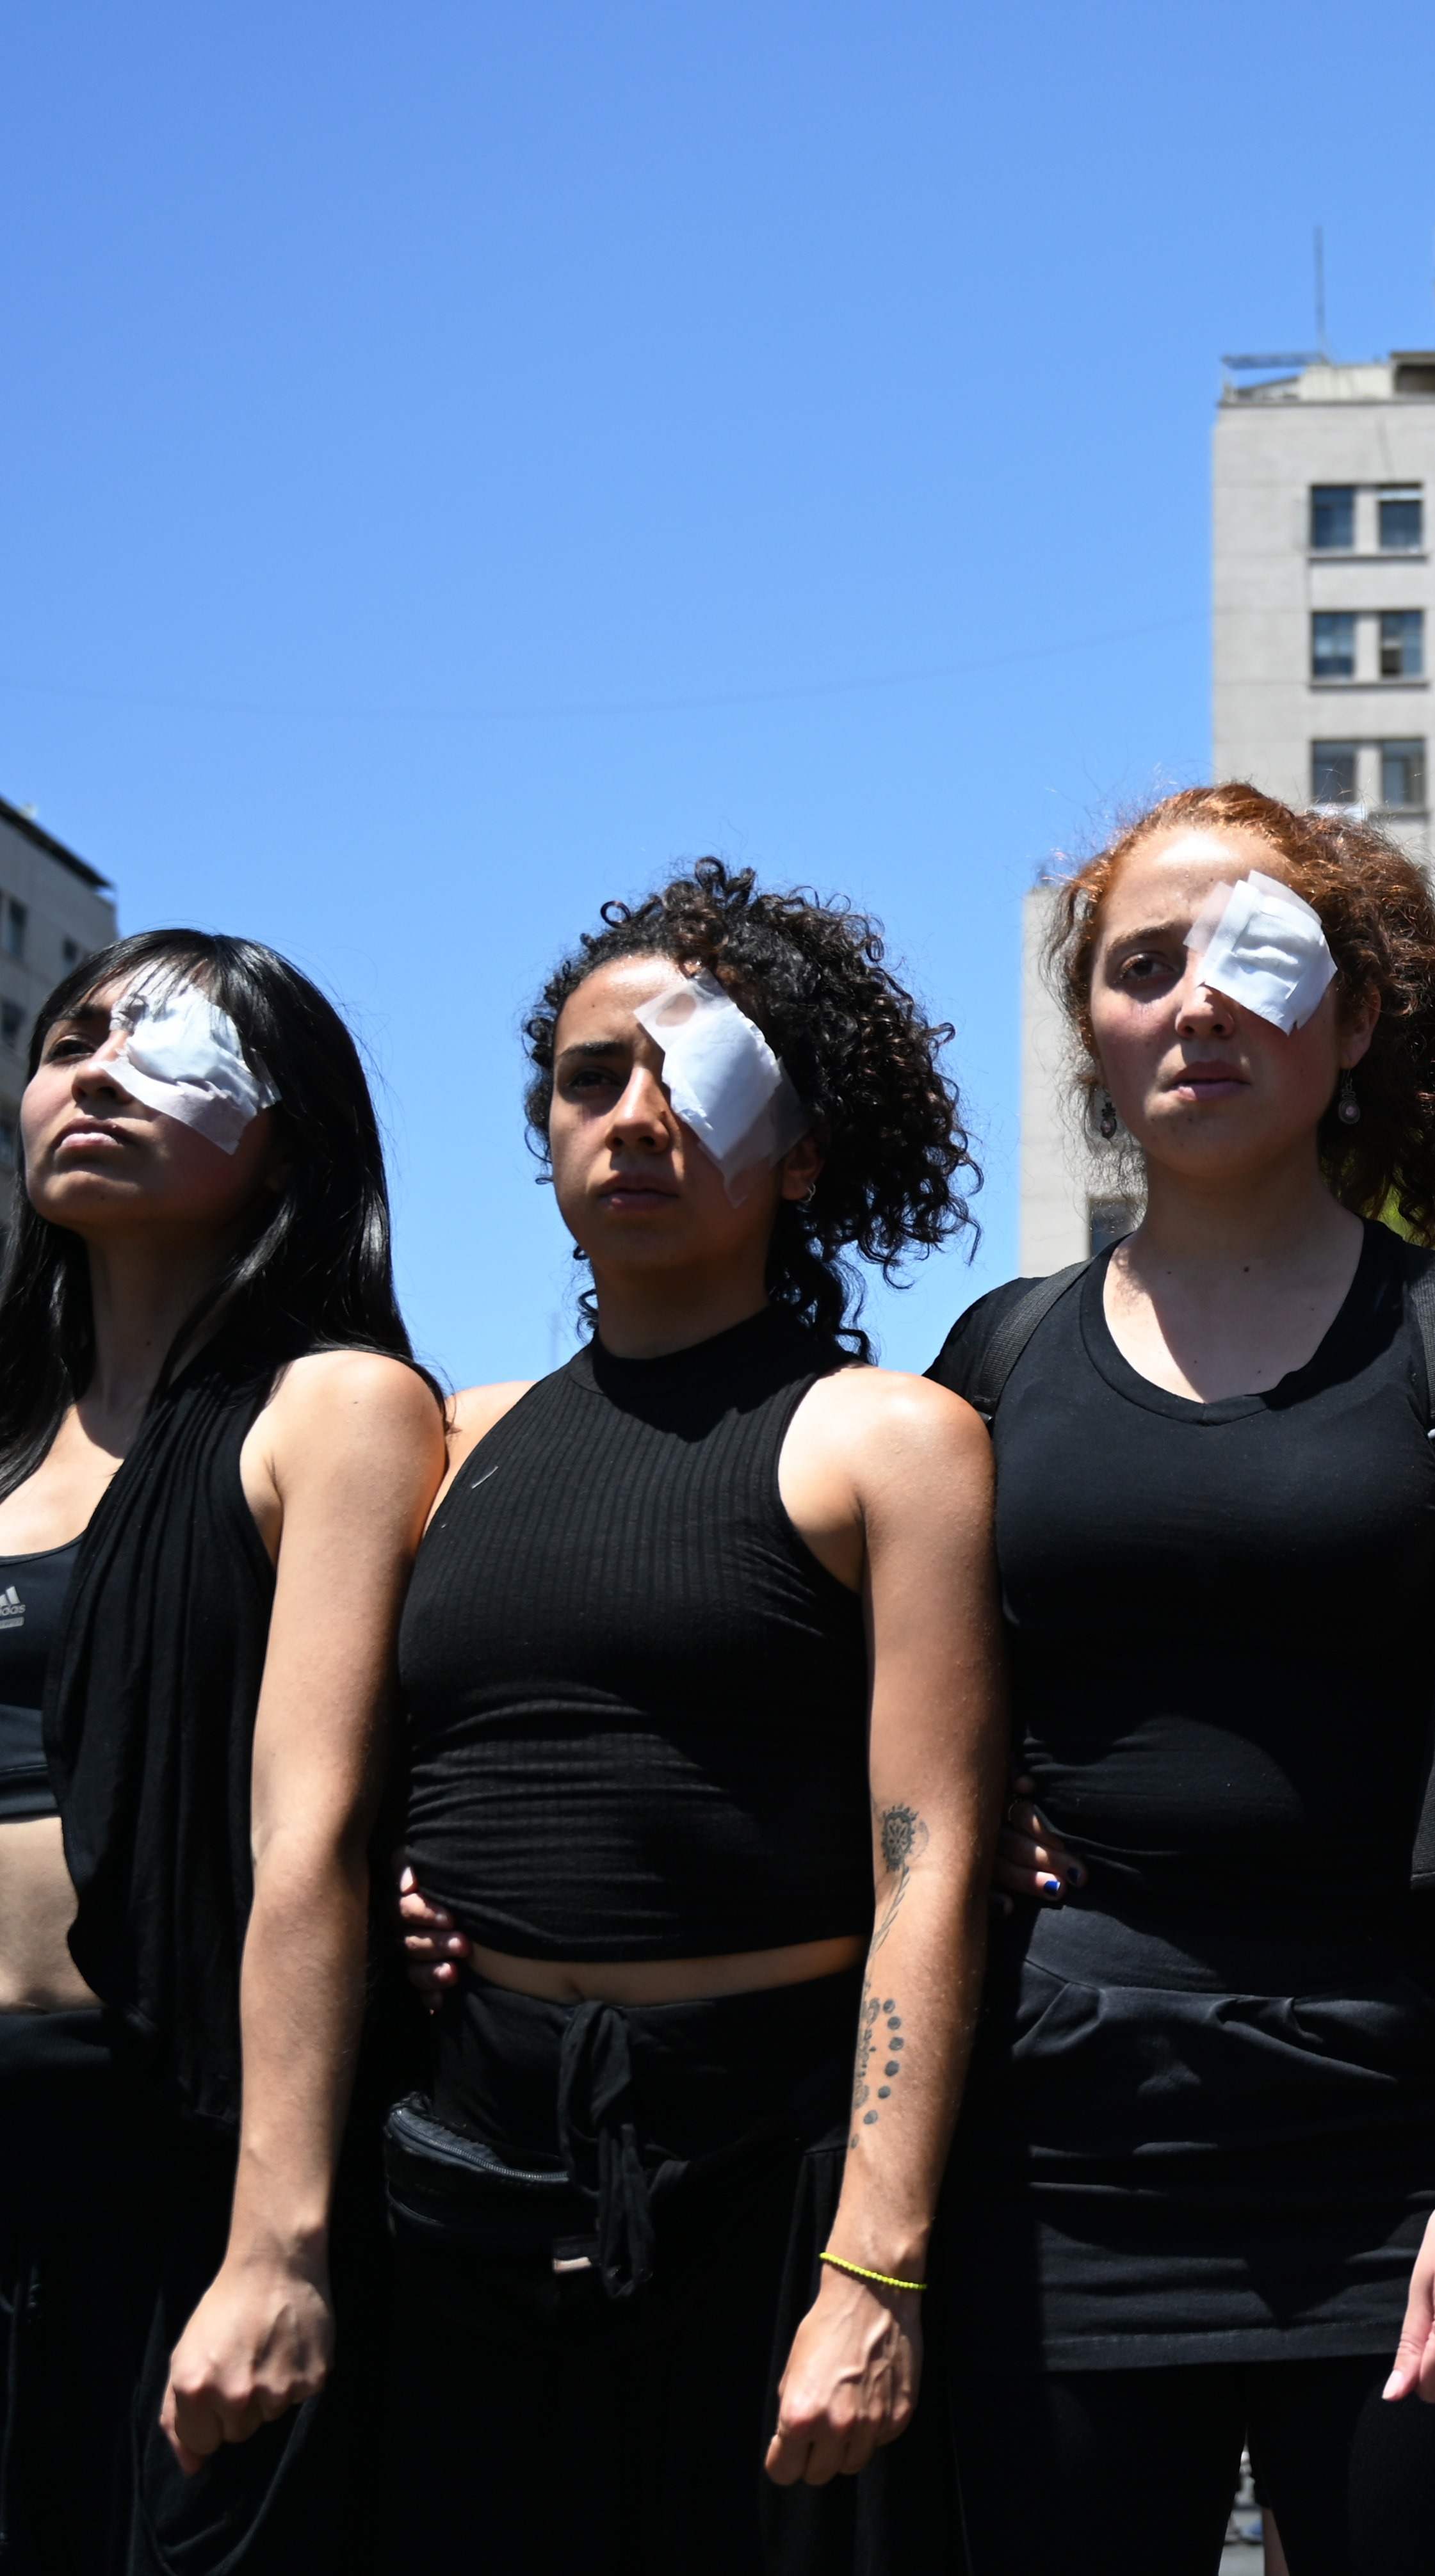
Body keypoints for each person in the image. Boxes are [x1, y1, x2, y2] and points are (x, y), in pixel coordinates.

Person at [923, 787, 1435, 2575]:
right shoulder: (986, 1363)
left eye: (1256, 959)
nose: (1198, 1004)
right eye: (1146, 967)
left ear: (1355, 1017)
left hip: (1393, 2135)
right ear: (1092, 1027)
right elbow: (897, 1741)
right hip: (1057, 2141)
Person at [381, 862, 999, 2568]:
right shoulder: (447, 1444)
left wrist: (873, 2269)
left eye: (697, 1077)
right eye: (592, 1079)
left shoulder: (890, 1440)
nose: (635, 1118)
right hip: (465, 2173)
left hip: (772, 2170)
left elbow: (930, 1867)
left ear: (803, 1153)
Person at [3, 931, 441, 2570]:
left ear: (284, 1132)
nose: (94, 1068)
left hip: (180, 2153)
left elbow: (308, 1834)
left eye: (162, 1043)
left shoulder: (329, 1409)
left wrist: (278, 2244)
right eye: (68, 1038)